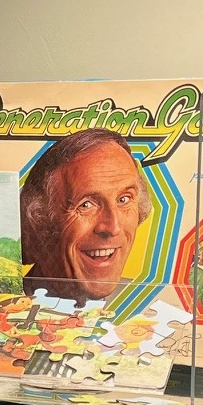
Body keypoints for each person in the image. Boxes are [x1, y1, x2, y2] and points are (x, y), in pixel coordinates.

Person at [21, 128, 144, 303]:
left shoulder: (143, 303)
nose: (113, 228)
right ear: (39, 221)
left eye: (124, 199)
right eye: (86, 205)